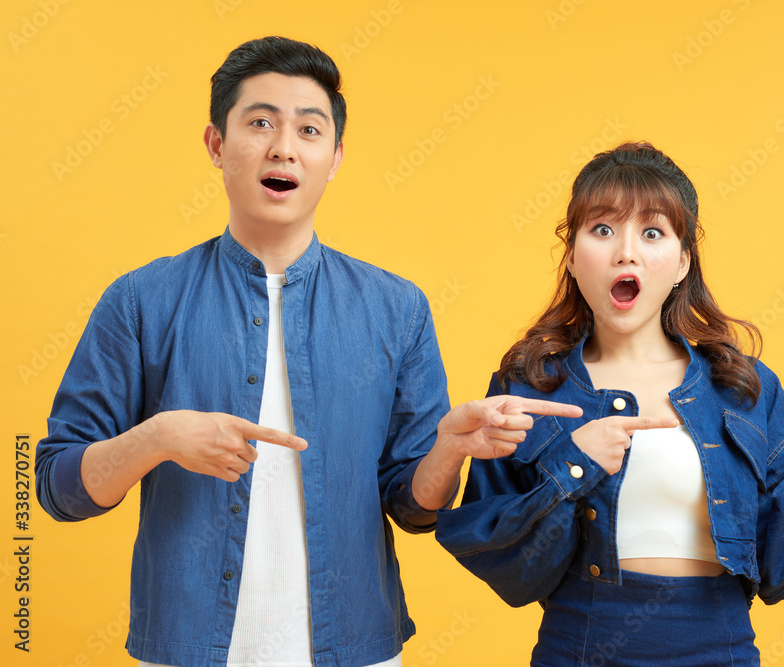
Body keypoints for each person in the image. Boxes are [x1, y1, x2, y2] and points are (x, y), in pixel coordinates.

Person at [35, 36, 579, 667]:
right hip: (185, 648)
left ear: (335, 156)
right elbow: (55, 486)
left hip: (354, 647)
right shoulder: (140, 300)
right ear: (217, 144)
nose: (283, 147)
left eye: (308, 129)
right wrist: (156, 437)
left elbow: (411, 507)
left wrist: (450, 448)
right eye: (260, 122)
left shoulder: (397, 307)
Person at [435, 142, 784, 666]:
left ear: (683, 261)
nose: (626, 250)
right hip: (578, 647)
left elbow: (781, 555)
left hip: (720, 647)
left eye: (652, 232)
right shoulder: (528, 386)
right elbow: (507, 563)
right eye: (602, 229)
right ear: (572, 258)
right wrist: (573, 465)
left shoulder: (742, 386)